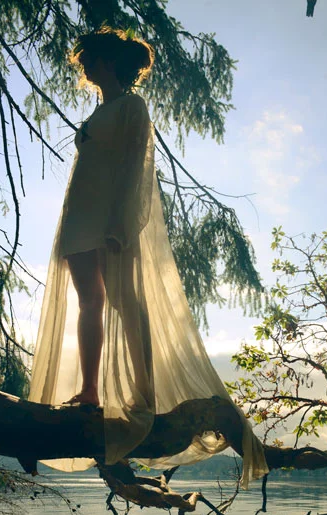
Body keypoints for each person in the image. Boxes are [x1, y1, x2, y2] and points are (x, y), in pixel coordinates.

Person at [29, 28, 268, 487]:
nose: (84, 66)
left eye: (91, 59)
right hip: (79, 216)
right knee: (89, 303)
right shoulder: (100, 109)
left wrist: (121, 225)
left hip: (109, 219)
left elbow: (137, 170)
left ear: (109, 62)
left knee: (124, 302)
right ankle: (90, 390)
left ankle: (145, 391)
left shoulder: (132, 107)